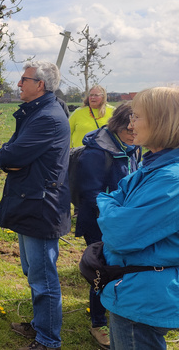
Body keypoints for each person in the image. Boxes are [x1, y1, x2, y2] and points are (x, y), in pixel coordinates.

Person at [97, 87, 179, 350]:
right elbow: (112, 197)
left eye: (137, 116)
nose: (130, 125)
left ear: (161, 122)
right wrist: (112, 206)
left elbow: (120, 234)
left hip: (143, 296)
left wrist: (111, 208)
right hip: (134, 287)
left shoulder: (171, 179)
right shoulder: (152, 167)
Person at [0, 61, 71, 350]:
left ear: (40, 85)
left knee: (43, 278)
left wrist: (11, 157)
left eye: (24, 79)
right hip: (31, 200)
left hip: (41, 206)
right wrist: (12, 156)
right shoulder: (36, 112)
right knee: (32, 271)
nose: (18, 84)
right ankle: (42, 325)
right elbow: (11, 154)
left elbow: (8, 157)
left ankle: (48, 340)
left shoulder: (47, 118)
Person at [75, 103, 140, 348]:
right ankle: (98, 323)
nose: (133, 134)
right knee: (101, 270)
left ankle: (118, 313)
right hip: (99, 222)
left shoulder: (133, 147)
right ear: (117, 125)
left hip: (123, 221)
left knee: (121, 269)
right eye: (128, 130)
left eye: (135, 129)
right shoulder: (96, 152)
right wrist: (114, 218)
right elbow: (90, 193)